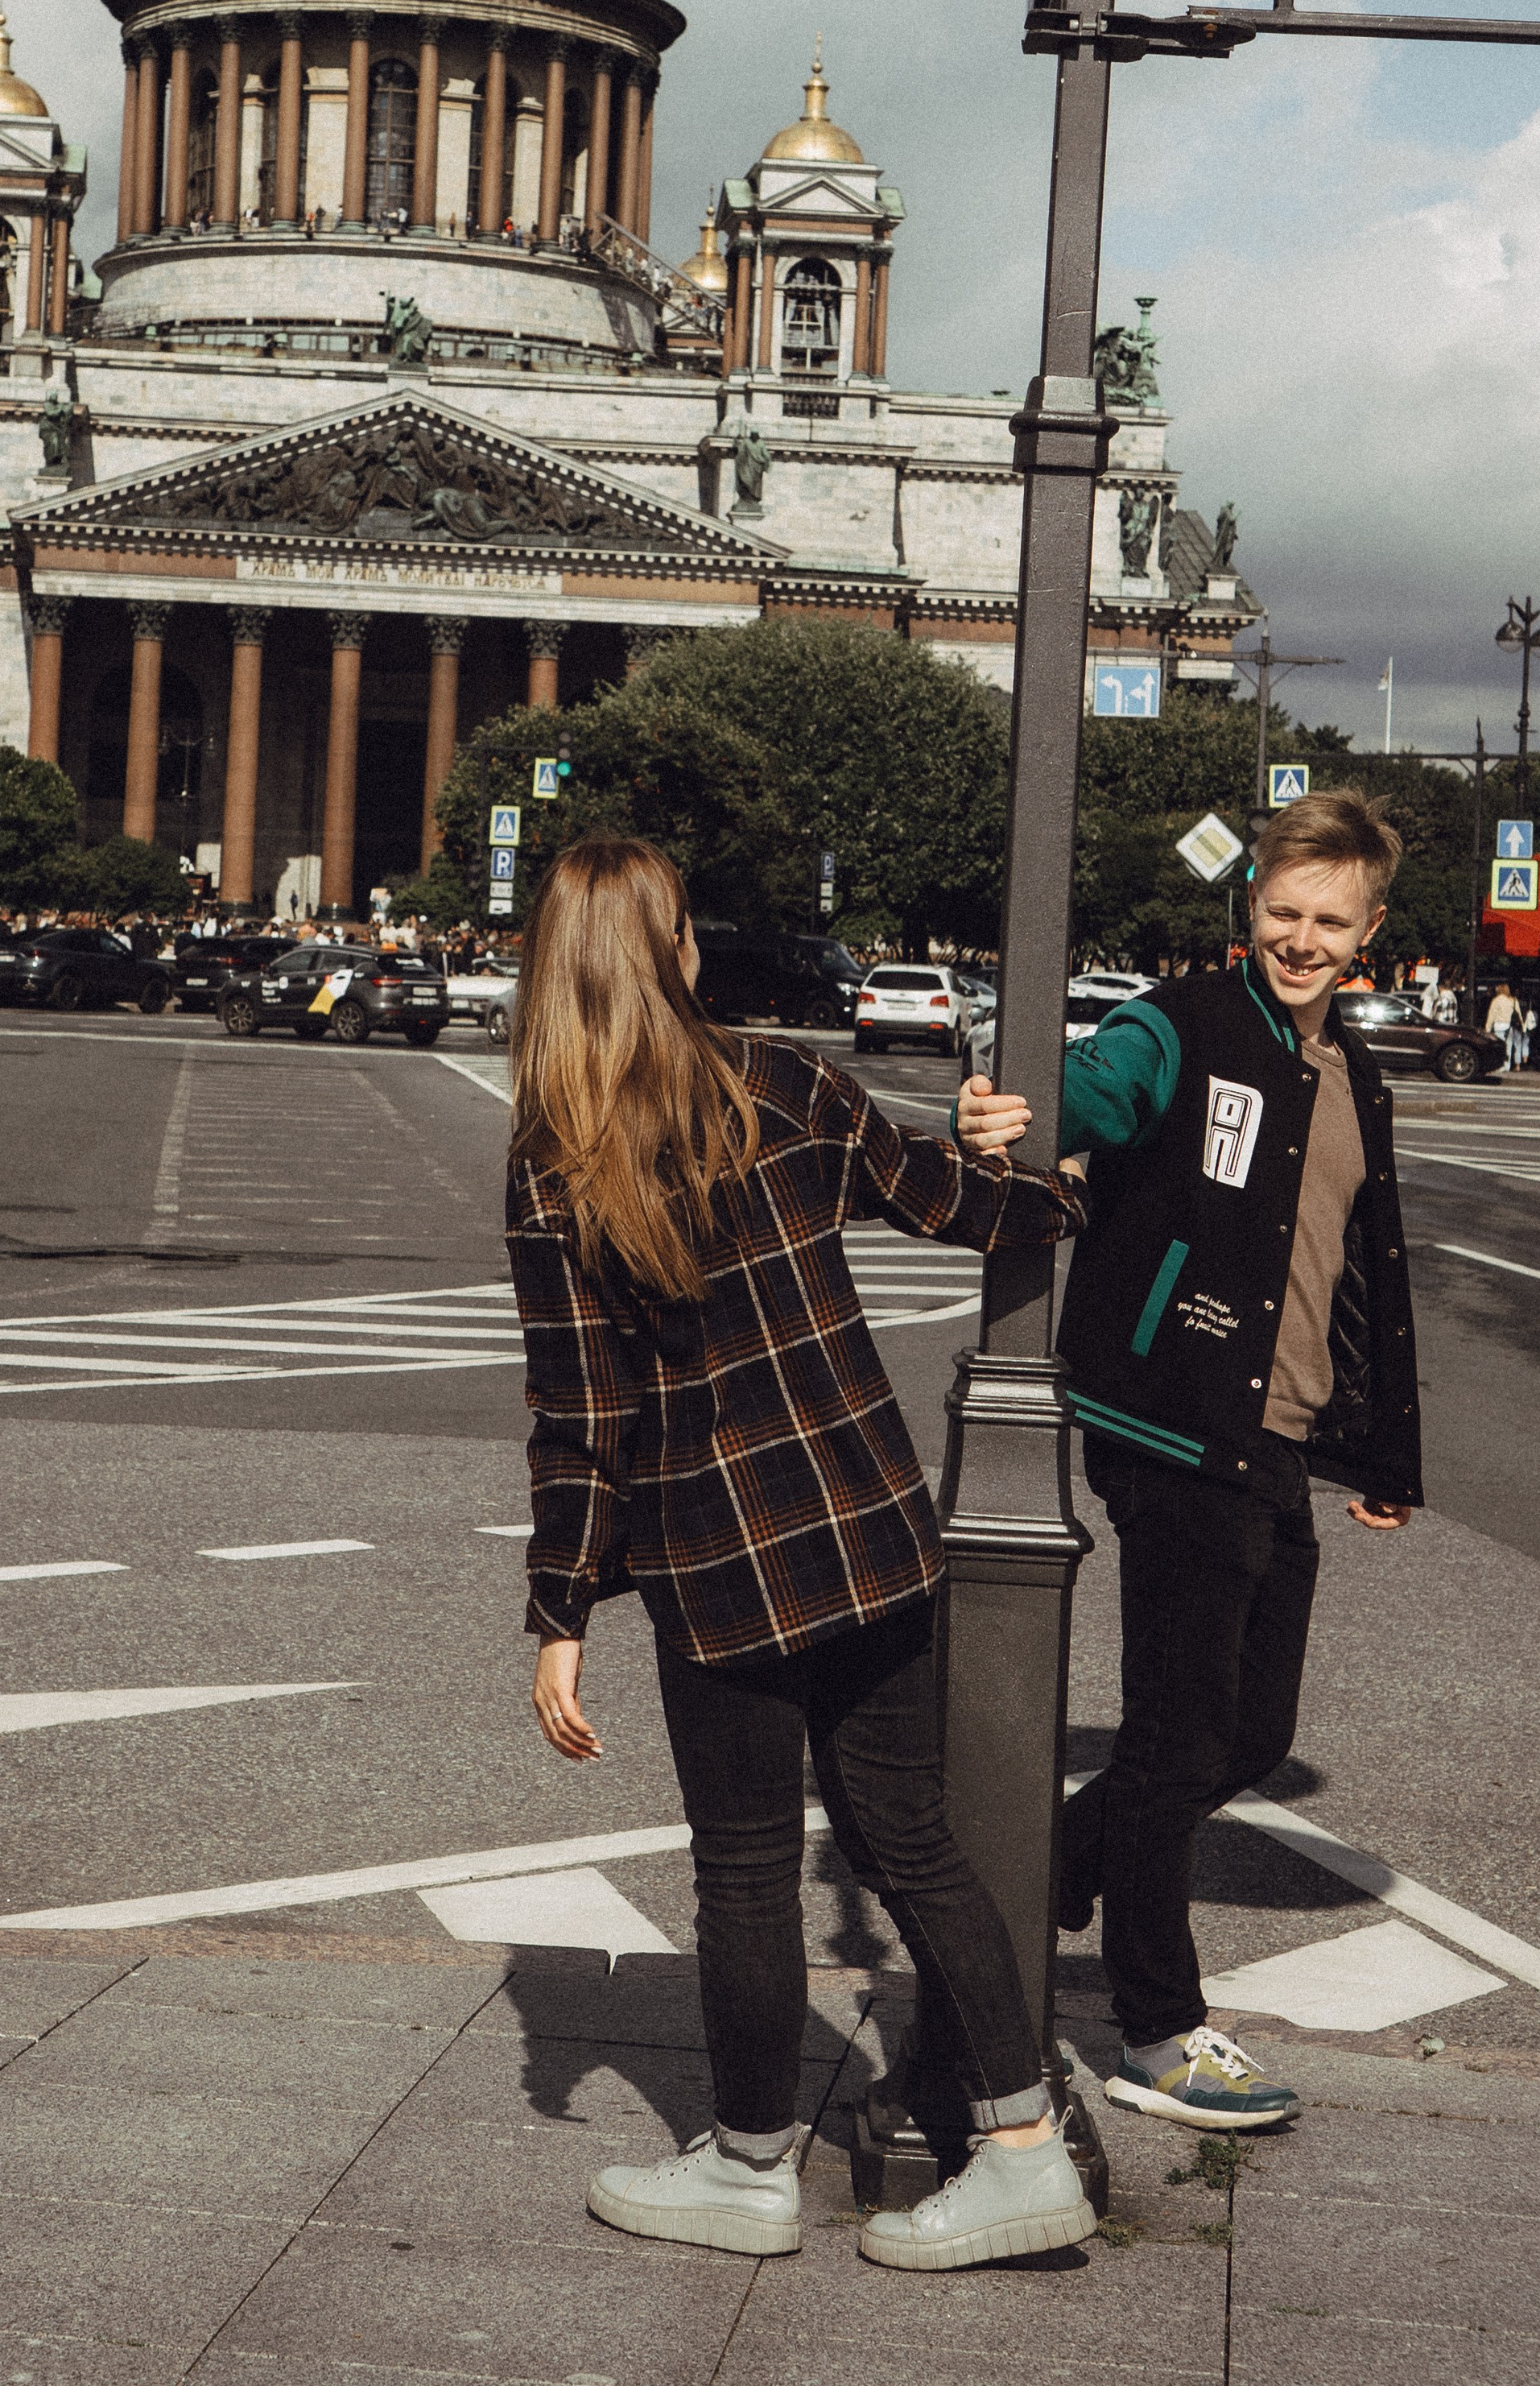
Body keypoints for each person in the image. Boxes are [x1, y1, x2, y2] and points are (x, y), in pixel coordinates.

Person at [509, 838, 1096, 2272]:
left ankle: (752, 2166)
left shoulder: (556, 1164)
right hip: (873, 1530)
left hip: (719, 1566)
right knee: (914, 1841)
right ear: (676, 951)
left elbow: (581, 1417)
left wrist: (560, 1610)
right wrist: (1053, 1183)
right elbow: (963, 1211)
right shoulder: (784, 1084)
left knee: (747, 1868)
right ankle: (1023, 2144)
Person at [962, 787, 1422, 2135]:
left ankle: (1047, 1860)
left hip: (1272, 1439)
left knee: (1250, 1735)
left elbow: (1360, 1275)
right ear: (1252, 905)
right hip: (1167, 1422)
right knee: (1176, 1736)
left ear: (1369, 930)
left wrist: (1381, 1447)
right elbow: (1089, 1090)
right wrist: (1014, 1113)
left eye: (1328, 921)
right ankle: (1156, 2028)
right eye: (1282, 910)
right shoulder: (1185, 1023)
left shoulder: (1355, 1074)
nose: (1300, 937)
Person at [1486, 980, 1521, 1070]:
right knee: (1508, 1046)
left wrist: (1488, 1028)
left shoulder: (1496, 1000)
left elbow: (1491, 1015)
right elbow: (1518, 1013)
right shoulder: (1511, 1000)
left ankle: (1501, 1065)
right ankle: (1507, 1065)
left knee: (1500, 1047)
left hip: (1499, 1025)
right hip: (1509, 1026)